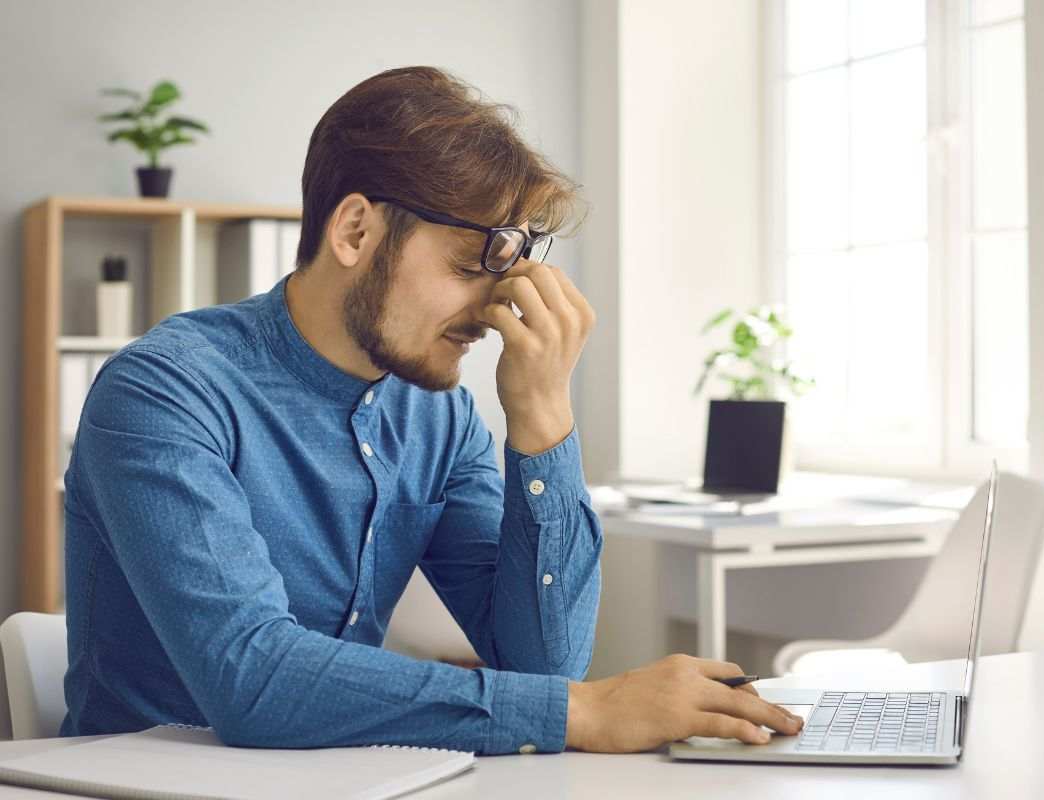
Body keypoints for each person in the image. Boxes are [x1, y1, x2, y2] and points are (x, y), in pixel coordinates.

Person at [60, 66, 802, 754]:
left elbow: (540, 661)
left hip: (335, 778)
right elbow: (253, 679)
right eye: (465, 265)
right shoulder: (164, 391)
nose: (495, 304)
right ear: (355, 231)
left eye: (506, 269)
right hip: (139, 782)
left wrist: (543, 415)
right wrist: (584, 712)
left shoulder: (437, 417)